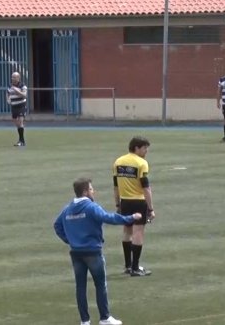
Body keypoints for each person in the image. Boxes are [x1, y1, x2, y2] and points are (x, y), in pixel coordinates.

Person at [54, 177, 139, 325]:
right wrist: (130, 218)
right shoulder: (91, 207)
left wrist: (70, 240)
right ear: (86, 191)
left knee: (80, 287)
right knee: (100, 284)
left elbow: (57, 225)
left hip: (76, 252)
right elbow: (108, 218)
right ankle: (104, 317)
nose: (94, 191)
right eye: (92, 189)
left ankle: (85, 321)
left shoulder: (68, 209)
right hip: (92, 251)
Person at [113, 136, 155, 277]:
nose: (146, 151)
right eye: (144, 148)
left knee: (127, 232)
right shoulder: (141, 163)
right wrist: (151, 209)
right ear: (136, 148)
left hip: (125, 201)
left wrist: (118, 203)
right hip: (138, 201)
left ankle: (128, 265)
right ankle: (136, 268)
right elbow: (146, 188)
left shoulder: (118, 162)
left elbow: (116, 186)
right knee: (138, 233)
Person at [8, 71, 28, 147]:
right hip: (14, 106)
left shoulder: (22, 86)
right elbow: (8, 93)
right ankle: (21, 140)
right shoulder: (10, 86)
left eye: (14, 77)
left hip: (21, 106)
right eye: (12, 77)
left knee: (20, 122)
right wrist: (8, 99)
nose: (12, 78)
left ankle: (22, 141)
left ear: (18, 78)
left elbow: (24, 95)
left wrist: (16, 90)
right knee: (16, 122)